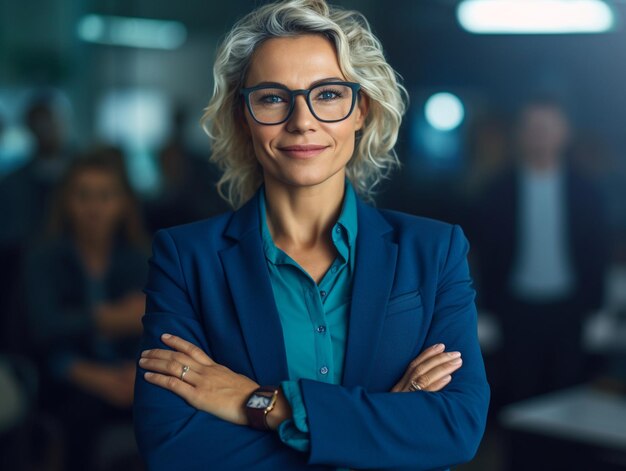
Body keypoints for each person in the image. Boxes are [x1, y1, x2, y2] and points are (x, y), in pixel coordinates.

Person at [133, 1, 490, 469]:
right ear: (244, 115)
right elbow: (172, 442)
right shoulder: (185, 257)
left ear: (360, 110)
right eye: (273, 98)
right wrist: (382, 435)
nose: (302, 121)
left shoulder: (435, 250)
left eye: (327, 94)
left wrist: (261, 404)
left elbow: (456, 428)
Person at [472, 97, 609, 405]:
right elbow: (484, 254)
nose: (540, 135)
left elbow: (598, 251)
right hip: (515, 309)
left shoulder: (586, 191)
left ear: (565, 133)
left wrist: (598, 310)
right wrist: (486, 310)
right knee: (518, 397)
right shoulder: (498, 191)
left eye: (548, 127)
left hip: (570, 310)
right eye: (533, 127)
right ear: (520, 133)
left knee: (569, 398)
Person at [22, 148, 149, 470]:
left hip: (131, 375)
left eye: (105, 196)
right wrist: (109, 319)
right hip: (67, 378)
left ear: (123, 203)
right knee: (81, 414)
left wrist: (134, 372)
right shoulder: (43, 258)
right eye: (83, 196)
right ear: (66, 201)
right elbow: (43, 329)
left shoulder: (138, 259)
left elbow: (156, 327)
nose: (94, 208)